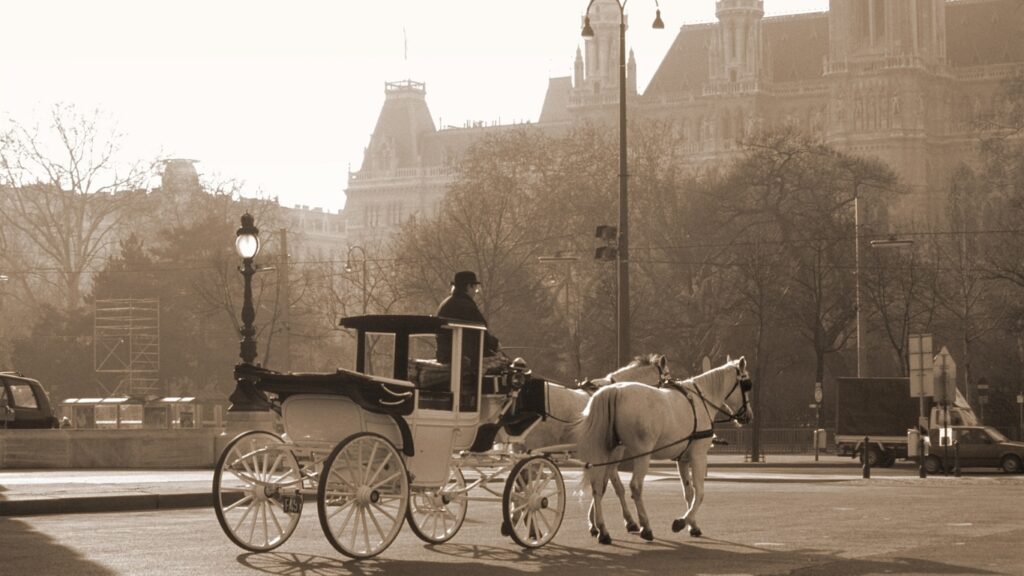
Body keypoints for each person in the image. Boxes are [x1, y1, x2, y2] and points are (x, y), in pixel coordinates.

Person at [435, 270, 504, 369]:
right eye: (475, 288)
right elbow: (481, 331)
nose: (476, 292)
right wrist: (495, 344)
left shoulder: (446, 303)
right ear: (468, 287)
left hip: (444, 355)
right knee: (504, 365)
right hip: (462, 357)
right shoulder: (467, 306)